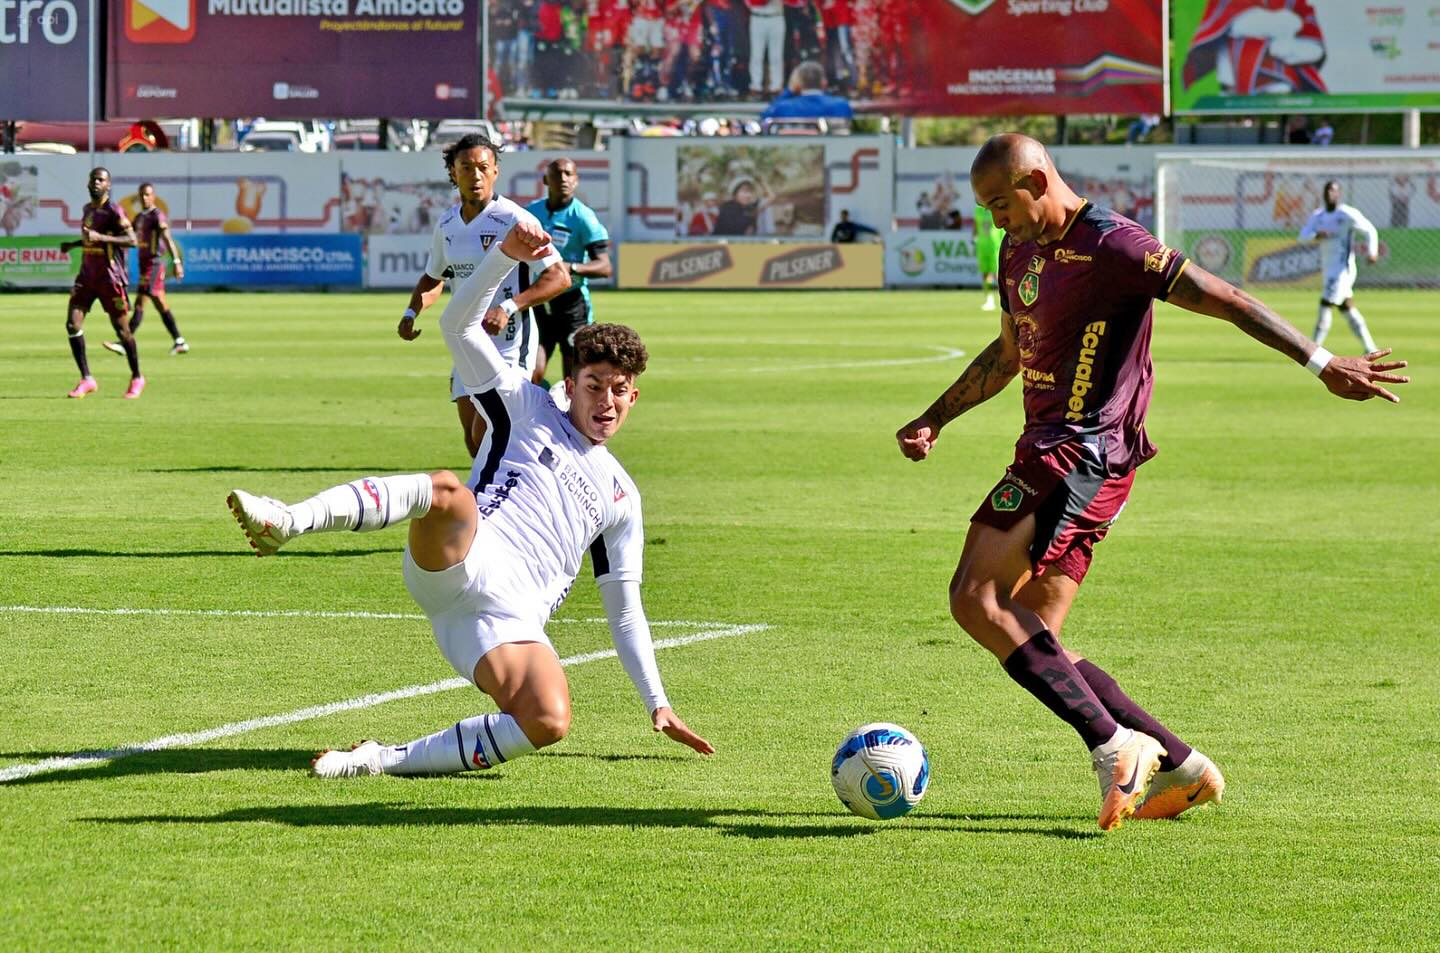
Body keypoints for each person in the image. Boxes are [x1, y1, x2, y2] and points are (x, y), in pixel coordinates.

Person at [896, 134, 1407, 831]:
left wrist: (1321, 362)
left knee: (975, 595)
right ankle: (1186, 766)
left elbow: (1221, 295)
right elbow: (1011, 352)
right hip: (1061, 453)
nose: (994, 222)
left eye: (1000, 204)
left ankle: (1114, 746)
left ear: (1038, 180)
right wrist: (936, 416)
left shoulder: (1113, 244)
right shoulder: (1018, 253)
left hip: (1079, 453)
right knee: (1037, 637)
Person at [226, 221, 713, 778]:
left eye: (620, 390)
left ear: (635, 396)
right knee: (446, 492)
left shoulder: (622, 495)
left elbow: (625, 610)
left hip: (509, 621)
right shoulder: (524, 404)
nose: (607, 401)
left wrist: (659, 703)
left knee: (549, 719)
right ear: (571, 383)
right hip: (464, 557)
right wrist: (503, 257)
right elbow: (458, 327)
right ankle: (288, 520)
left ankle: (377, 760)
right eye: (595, 384)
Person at [398, 133, 570, 459]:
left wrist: (509, 306)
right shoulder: (447, 223)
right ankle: (489, 501)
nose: (475, 175)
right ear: (453, 172)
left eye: (482, 167)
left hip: (509, 343)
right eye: (466, 167)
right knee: (472, 440)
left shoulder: (515, 219)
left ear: (495, 171)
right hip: (466, 341)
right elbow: (434, 277)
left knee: (487, 429)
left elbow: (559, 277)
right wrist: (411, 312)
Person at [526, 158, 612, 402]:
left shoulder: (583, 217)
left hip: (572, 305)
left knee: (573, 380)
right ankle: (540, 414)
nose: (563, 179)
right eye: (557, 174)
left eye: (568, 174)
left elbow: (605, 266)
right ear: (545, 180)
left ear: (576, 180)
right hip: (538, 302)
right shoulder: (531, 213)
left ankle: (570, 432)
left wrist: (570, 267)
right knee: (531, 373)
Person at [58, 167, 143, 400]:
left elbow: (131, 240)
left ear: (108, 185)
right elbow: (90, 238)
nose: (96, 183)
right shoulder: (87, 210)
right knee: (72, 325)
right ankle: (87, 379)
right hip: (87, 276)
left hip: (110, 278)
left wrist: (101, 237)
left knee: (123, 331)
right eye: (93, 179)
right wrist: (74, 245)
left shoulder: (114, 211)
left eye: (101, 180)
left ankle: (137, 376)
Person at [104, 182, 188, 358]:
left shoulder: (157, 216)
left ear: (153, 196)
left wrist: (177, 261)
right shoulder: (140, 217)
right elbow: (129, 235)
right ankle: (179, 341)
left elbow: (167, 238)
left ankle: (124, 342)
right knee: (160, 304)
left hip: (155, 264)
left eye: (147, 194)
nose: (144, 198)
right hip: (144, 264)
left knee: (140, 302)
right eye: (142, 195)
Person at [1299, 179, 1380, 353]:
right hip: (1328, 270)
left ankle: (1313, 350)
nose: (1330, 194)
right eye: (1327, 190)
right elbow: (1302, 236)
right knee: (1347, 307)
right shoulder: (1318, 216)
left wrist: (1372, 252)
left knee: (1325, 304)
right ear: (1323, 194)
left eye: (1334, 191)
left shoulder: (1347, 214)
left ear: (1339, 194)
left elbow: (1370, 230)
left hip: (1343, 269)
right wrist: (1315, 235)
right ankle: (1370, 348)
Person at [761, 60, 852, 121]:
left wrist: (789, 91)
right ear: (824, 82)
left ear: (798, 83)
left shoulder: (782, 107)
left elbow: (765, 118)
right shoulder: (841, 105)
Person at [972, 202, 1003, 311]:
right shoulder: (977, 210)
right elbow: (975, 227)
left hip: (995, 245)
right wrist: (974, 241)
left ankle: (1005, 300)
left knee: (998, 274)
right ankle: (989, 300)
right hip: (982, 246)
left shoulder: (996, 208)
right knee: (985, 273)